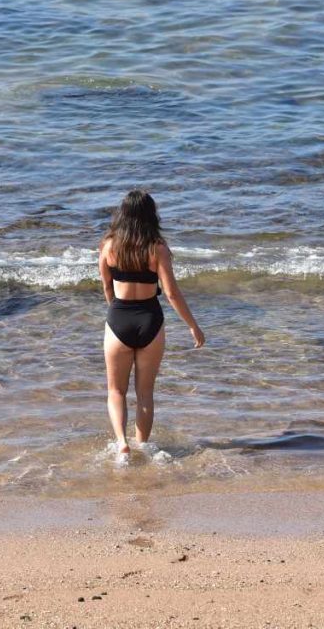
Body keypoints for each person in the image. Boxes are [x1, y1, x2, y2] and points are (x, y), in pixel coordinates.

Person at [98, 189, 205, 461]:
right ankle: (142, 446)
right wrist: (193, 325)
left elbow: (107, 287)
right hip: (150, 320)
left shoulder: (108, 245)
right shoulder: (157, 248)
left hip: (119, 318)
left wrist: (115, 311)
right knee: (145, 393)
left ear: (122, 214)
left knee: (116, 391)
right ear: (150, 215)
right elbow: (171, 293)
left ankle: (122, 445)